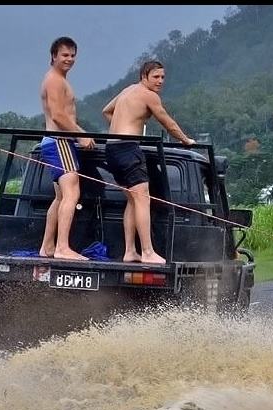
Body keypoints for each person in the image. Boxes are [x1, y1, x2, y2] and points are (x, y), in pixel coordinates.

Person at [101, 60, 195, 264]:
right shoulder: (148, 95)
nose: (160, 81)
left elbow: (106, 111)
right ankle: (148, 251)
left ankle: (129, 251)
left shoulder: (127, 90)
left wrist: (124, 125)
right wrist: (185, 140)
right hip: (127, 149)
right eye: (156, 77)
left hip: (111, 149)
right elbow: (167, 121)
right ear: (144, 76)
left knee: (133, 200)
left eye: (163, 77)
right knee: (143, 198)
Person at [38, 36, 95, 260]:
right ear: (53, 56)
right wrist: (80, 135)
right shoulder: (54, 80)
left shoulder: (59, 79)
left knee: (61, 197)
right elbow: (58, 115)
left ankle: (47, 247)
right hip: (59, 141)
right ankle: (62, 247)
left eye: (72, 55)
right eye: (64, 55)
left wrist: (82, 134)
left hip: (56, 141)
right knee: (72, 192)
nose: (69, 59)